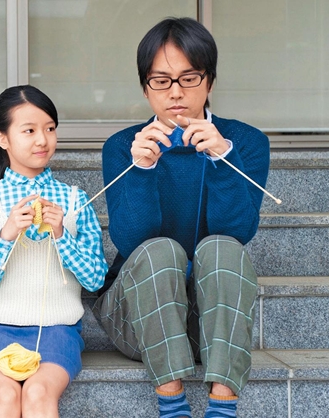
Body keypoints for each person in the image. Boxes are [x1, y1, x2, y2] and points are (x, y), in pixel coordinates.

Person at [93, 17, 269, 418]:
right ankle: (172, 405)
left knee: (222, 247)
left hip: (212, 322)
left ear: (210, 81)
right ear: (145, 88)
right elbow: (130, 240)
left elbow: (238, 230)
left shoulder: (245, 143)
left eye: (189, 78)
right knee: (159, 250)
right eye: (161, 81)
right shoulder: (122, 147)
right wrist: (141, 170)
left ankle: (222, 406)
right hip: (138, 316)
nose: (175, 92)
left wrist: (223, 159)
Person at [0, 85, 107, 417]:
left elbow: (96, 278)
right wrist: (7, 234)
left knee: (39, 393)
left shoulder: (74, 199)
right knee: (4, 396)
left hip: (57, 329)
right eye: (29, 130)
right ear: (2, 138)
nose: (43, 139)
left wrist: (61, 235)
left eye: (50, 129)